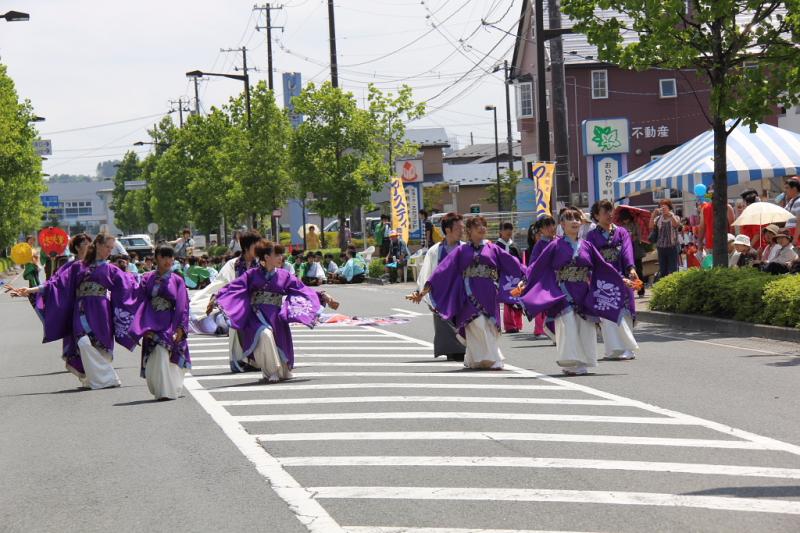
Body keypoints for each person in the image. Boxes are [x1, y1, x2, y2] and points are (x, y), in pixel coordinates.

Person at [519, 206, 637, 376]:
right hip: (563, 292)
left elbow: (602, 267)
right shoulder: (554, 245)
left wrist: (623, 279)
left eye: (577, 219)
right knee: (569, 325)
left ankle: (584, 360)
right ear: (562, 224)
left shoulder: (587, 246)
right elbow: (537, 266)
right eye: (570, 218)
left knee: (585, 326)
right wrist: (524, 281)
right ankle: (570, 362)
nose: (575, 221)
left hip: (583, 291)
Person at [16, 233, 139, 389]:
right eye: (107, 247)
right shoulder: (77, 266)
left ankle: (95, 379)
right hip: (80, 310)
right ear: (98, 245)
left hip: (101, 311)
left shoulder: (110, 268)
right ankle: (107, 378)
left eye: (111, 248)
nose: (109, 251)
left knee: (99, 345)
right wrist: (30, 290)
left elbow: (130, 285)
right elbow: (56, 284)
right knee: (83, 342)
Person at [409, 216, 525, 370]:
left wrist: (528, 275)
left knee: (489, 326)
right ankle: (493, 359)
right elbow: (441, 272)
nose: (482, 228)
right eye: (478, 225)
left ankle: (473, 360)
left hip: (489, 293)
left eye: (484, 225)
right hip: (468, 295)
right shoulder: (461, 251)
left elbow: (512, 263)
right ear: (469, 230)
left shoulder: (493, 248)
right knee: (477, 324)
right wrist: (422, 292)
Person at [215, 240, 322, 383]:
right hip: (256, 316)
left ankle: (283, 370)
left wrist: (322, 296)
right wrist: (217, 296)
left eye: (281, 255)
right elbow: (233, 287)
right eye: (277, 255)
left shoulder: (285, 275)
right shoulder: (251, 275)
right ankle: (270, 371)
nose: (280, 258)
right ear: (266, 257)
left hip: (275, 316)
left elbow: (302, 289)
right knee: (264, 335)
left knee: (279, 344)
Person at [190, 230, 261, 372]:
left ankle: (257, 361)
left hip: (257, 306)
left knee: (259, 333)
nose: (259, 248)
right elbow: (221, 283)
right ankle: (240, 362)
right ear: (247, 246)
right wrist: (216, 297)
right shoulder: (233, 264)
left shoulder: (260, 263)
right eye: (256, 245)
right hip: (237, 306)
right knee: (237, 333)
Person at [130, 245, 191, 400]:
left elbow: (183, 305)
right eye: (164, 257)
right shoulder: (146, 278)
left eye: (171, 257)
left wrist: (180, 327)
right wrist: (142, 325)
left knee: (165, 352)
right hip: (151, 321)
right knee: (156, 353)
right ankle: (161, 388)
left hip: (170, 321)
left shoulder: (177, 280)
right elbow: (140, 302)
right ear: (157, 257)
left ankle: (166, 390)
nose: (168, 261)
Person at [586, 200, 640, 361]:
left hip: (622, 276)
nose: (610, 215)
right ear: (596, 215)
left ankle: (628, 348)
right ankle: (612, 349)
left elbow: (627, 251)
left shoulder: (621, 232)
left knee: (625, 311)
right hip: (603, 280)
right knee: (607, 313)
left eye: (611, 211)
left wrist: (631, 268)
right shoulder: (592, 235)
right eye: (605, 212)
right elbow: (591, 258)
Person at [412, 212, 466, 361]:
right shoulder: (435, 250)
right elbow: (426, 273)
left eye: (463, 228)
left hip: (462, 293)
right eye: (459, 228)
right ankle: (452, 351)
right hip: (442, 295)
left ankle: (465, 349)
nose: (462, 231)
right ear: (448, 230)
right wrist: (422, 293)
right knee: (444, 325)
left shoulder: (466, 248)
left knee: (464, 322)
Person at [527, 216, 558, 341]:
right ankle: (545, 329)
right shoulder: (539, 244)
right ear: (541, 230)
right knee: (547, 305)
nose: (551, 228)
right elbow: (533, 263)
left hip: (560, 278)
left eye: (552, 224)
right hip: (546, 279)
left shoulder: (560, 241)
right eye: (546, 226)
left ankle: (559, 334)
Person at [496, 222, 523, 334]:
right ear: (500, 231)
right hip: (502, 277)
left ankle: (517, 323)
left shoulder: (514, 246)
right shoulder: (496, 246)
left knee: (517, 299)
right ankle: (509, 325)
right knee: (507, 301)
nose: (508, 231)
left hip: (515, 278)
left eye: (510, 229)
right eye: (506, 229)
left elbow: (521, 262)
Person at [650, 199, 681, 279]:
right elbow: (650, 227)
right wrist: (653, 214)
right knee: (663, 270)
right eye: (661, 207)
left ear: (669, 208)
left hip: (672, 247)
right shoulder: (658, 219)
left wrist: (671, 215)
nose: (662, 208)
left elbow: (676, 225)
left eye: (664, 206)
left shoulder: (675, 217)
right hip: (661, 248)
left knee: (673, 270)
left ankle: (673, 287)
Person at [617, 209, 646, 297]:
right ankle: (629, 291)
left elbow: (639, 237)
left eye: (626, 218)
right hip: (625, 250)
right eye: (623, 219)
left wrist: (632, 236)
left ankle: (641, 290)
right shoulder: (620, 227)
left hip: (635, 249)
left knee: (639, 271)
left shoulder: (635, 225)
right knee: (627, 272)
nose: (625, 220)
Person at [782, 177, 800, 246]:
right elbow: (783, 213)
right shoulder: (791, 201)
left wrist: (795, 239)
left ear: (794, 189)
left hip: (795, 235)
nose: (785, 190)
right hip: (790, 234)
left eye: (787, 188)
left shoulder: (799, 201)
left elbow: (799, 222)